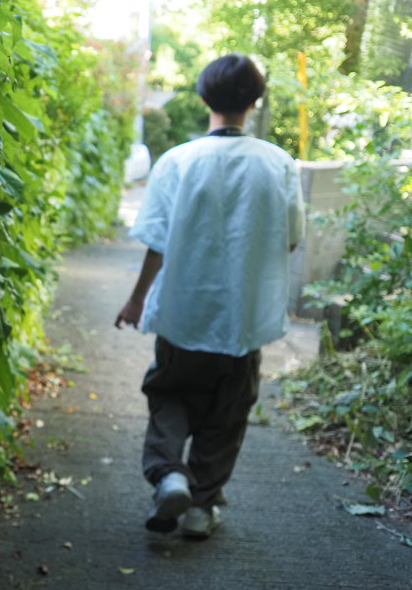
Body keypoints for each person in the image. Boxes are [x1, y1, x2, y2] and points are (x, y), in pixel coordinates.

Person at [114, 53, 305, 538]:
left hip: (183, 312)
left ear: (203, 97)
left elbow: (157, 240)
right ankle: (201, 507)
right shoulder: (279, 164)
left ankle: (169, 476)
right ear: (255, 101)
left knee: (169, 393)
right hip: (244, 318)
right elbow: (290, 239)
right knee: (228, 410)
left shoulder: (178, 161)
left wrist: (136, 299)